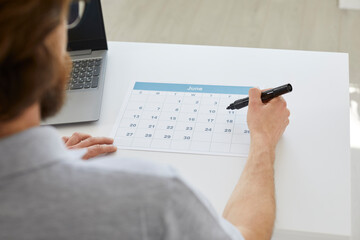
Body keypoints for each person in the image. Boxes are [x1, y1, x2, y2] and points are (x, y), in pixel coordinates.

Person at [0, 0, 290, 239]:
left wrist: (44, 166)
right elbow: (248, 234)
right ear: (44, 38)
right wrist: (263, 140)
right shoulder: (155, 196)